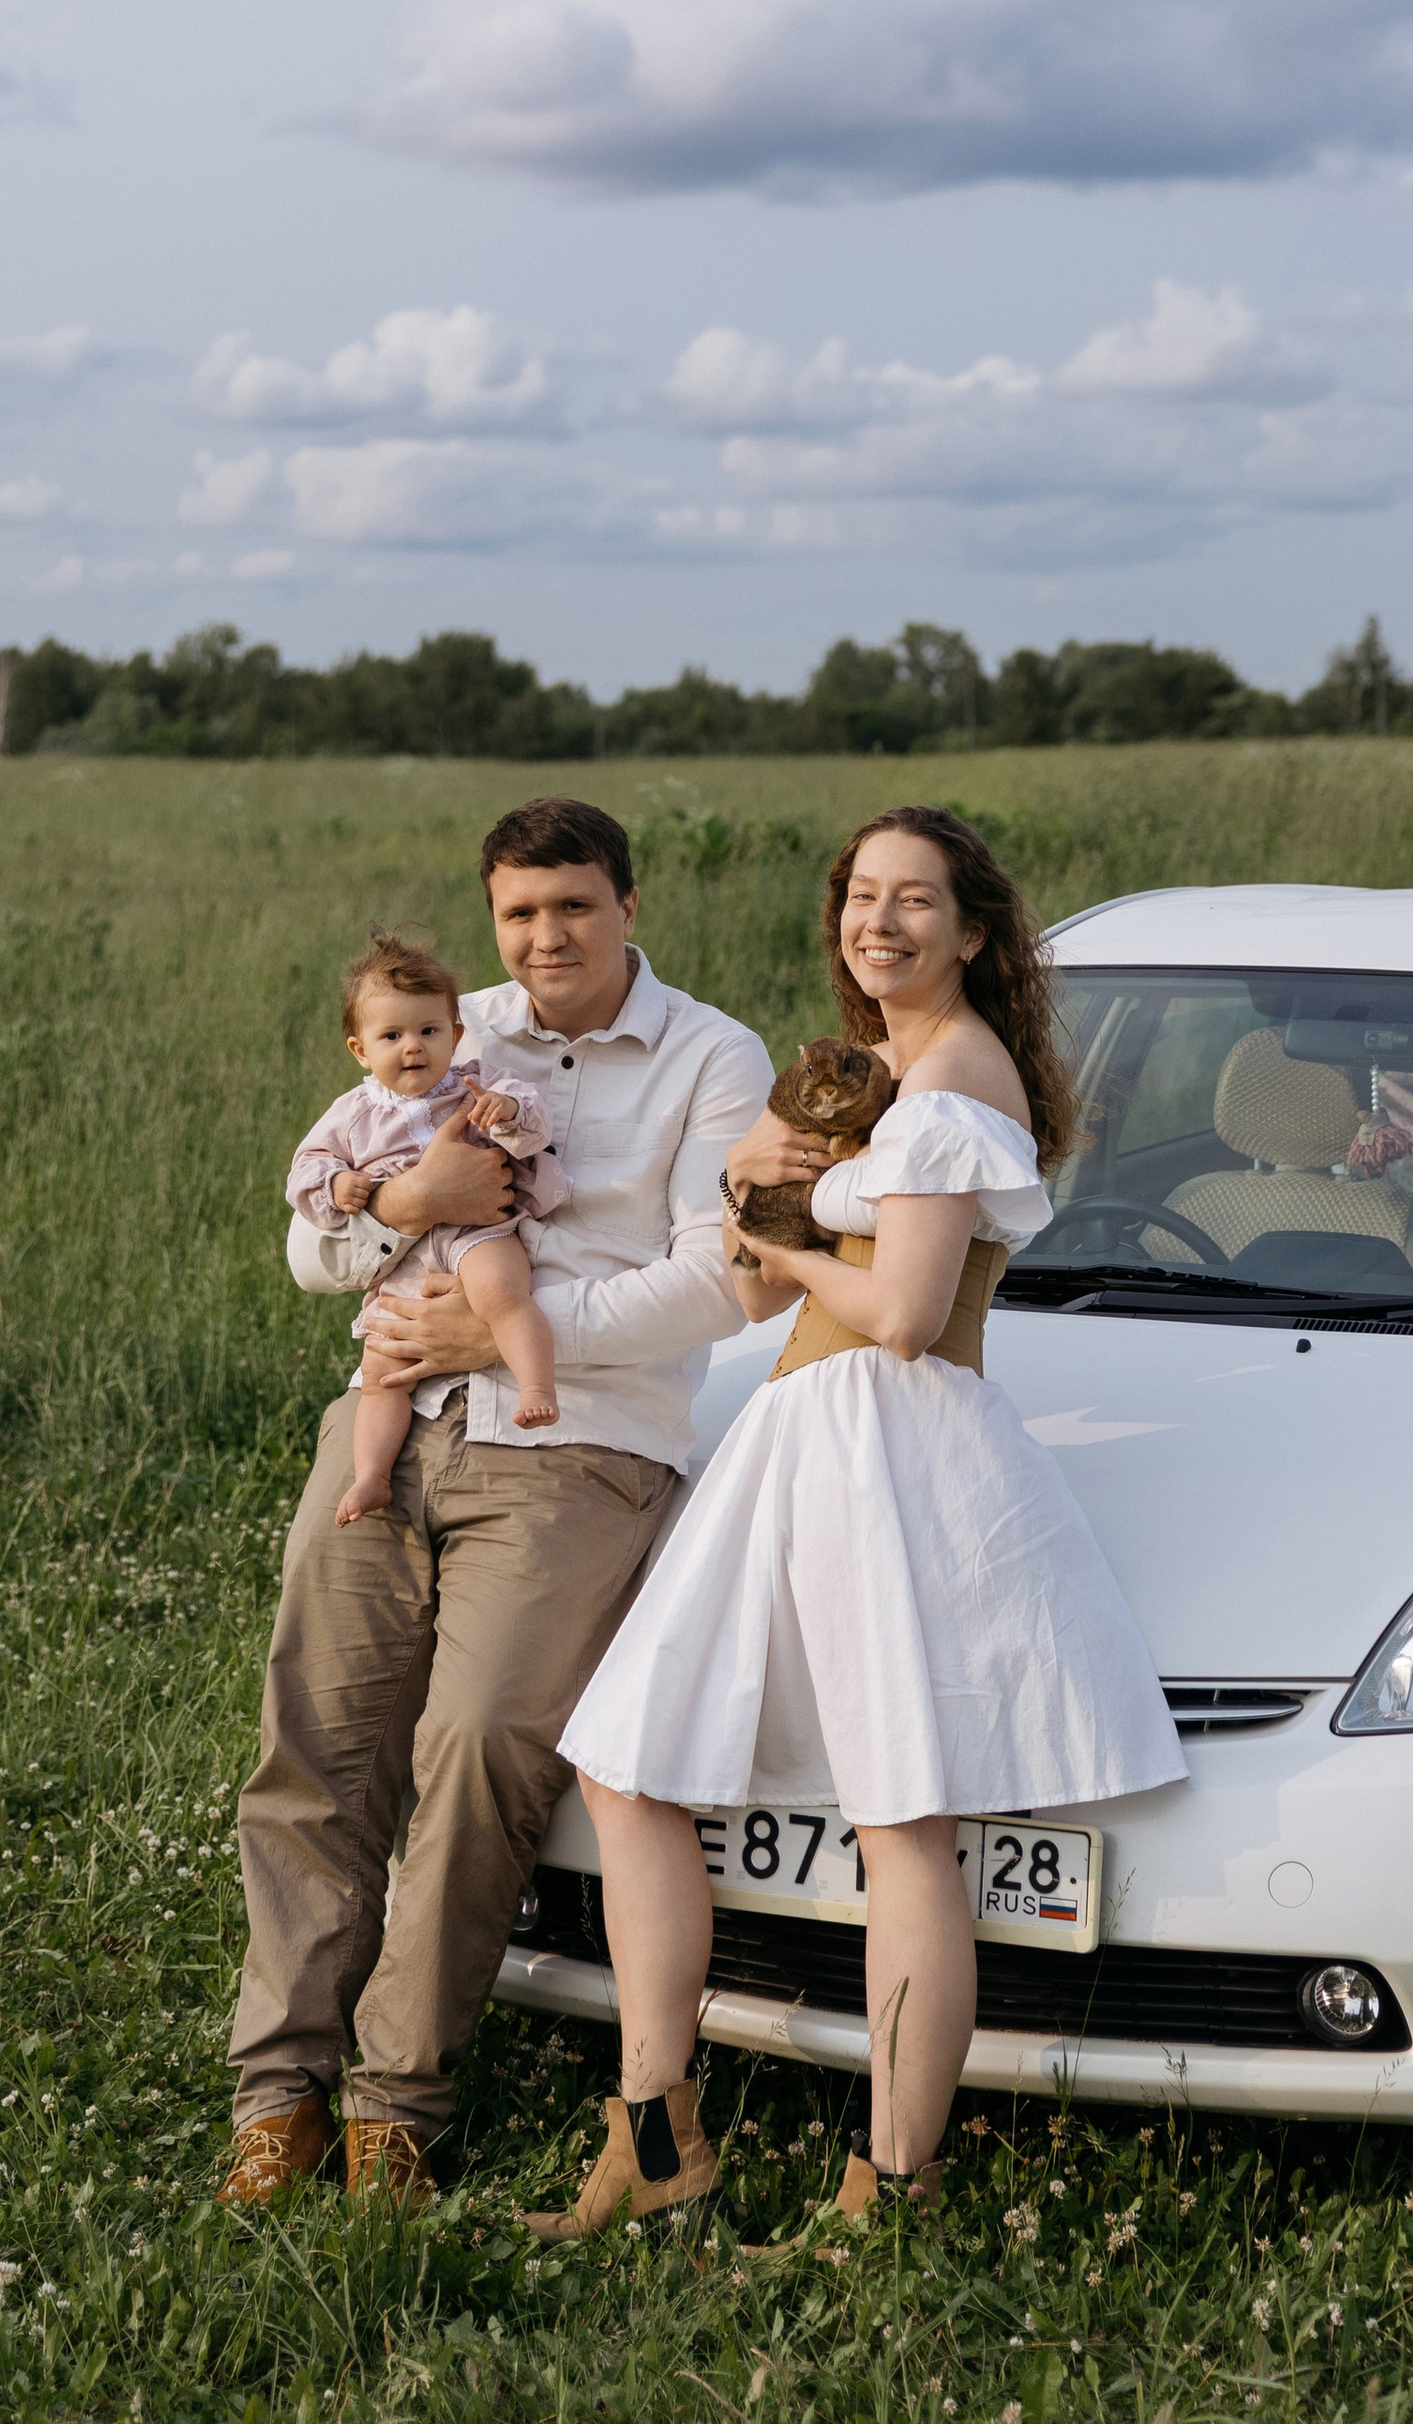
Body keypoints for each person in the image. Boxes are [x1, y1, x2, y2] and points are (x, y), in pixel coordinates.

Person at [529, 805, 1184, 2246]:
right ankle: (655, 2129)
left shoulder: (955, 1082)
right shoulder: (877, 1074)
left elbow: (897, 1314)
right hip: (801, 1431)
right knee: (633, 1762)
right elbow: (775, 1281)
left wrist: (773, 1239)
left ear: (973, 931)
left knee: (902, 1827)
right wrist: (773, 1184)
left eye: (914, 902)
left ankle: (895, 2180)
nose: (879, 922)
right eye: (860, 898)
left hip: (890, 1442)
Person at [220, 798, 772, 2209]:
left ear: (629, 905)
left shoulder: (712, 1058)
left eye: (574, 907)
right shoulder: (440, 1032)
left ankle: (396, 2099)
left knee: (477, 1753)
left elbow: (718, 1278)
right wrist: (410, 1208)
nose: (546, 938)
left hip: (577, 1444)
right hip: (388, 1423)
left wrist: (512, 1335)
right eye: (521, 914)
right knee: (317, 1749)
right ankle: (277, 2091)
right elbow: (308, 1247)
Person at [288, 931, 572, 1525]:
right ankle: (371, 1477)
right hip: (404, 1263)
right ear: (359, 1049)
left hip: (478, 1234)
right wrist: (337, 1186)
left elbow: (536, 1121)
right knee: (381, 1370)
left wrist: (511, 1112)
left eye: (427, 1032)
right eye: (391, 1036)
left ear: (456, 1036)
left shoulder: (477, 1084)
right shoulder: (352, 1114)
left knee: (502, 1295)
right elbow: (306, 1170)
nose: (412, 1048)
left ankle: (537, 1389)